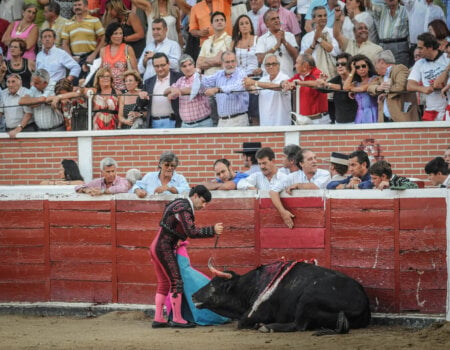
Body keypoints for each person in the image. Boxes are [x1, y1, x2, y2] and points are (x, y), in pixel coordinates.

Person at [149, 184, 223, 328]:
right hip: (164, 248)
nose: (204, 205)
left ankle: (158, 318)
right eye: (203, 201)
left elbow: (173, 227)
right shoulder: (184, 207)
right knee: (176, 282)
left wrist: (177, 239)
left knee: (164, 283)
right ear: (195, 196)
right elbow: (192, 231)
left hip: (156, 246)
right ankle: (177, 318)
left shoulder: (178, 203)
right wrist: (212, 230)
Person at [270, 148, 331, 229]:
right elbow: (273, 191)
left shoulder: (324, 174)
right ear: (301, 163)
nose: (314, 161)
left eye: (315, 158)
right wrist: (282, 212)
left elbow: (316, 186)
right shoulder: (292, 177)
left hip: (322, 219)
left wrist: (298, 185)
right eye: (310, 159)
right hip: (300, 220)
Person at [367, 50, 419, 123]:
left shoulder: (400, 68)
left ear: (381, 62)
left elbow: (400, 87)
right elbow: (370, 87)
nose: (375, 68)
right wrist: (378, 88)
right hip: (385, 119)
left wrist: (385, 93)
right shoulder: (381, 76)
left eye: (375, 64)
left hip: (401, 117)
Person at [201, 51, 249, 127]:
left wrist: (218, 89)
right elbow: (205, 81)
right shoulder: (219, 74)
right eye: (227, 62)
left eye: (233, 61)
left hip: (238, 119)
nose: (230, 64)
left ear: (236, 62)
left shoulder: (241, 73)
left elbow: (238, 87)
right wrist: (197, 73)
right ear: (222, 63)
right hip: (222, 121)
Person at [407, 33, 449, 121]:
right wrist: (423, 89)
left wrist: (443, 84)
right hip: (432, 110)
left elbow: (441, 84)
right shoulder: (419, 63)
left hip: (448, 106)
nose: (418, 51)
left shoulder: (447, 58)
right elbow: (410, 85)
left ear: (430, 47)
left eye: (421, 48)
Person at [165, 54, 213, 128]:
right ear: (180, 68)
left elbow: (195, 89)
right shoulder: (180, 81)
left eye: (190, 64)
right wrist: (171, 89)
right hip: (185, 125)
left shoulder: (202, 77)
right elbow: (165, 92)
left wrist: (179, 91)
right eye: (184, 66)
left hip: (203, 123)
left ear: (194, 65)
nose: (188, 68)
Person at [61, 0, 105, 79]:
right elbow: (64, 44)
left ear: (86, 7)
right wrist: (71, 58)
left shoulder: (95, 20)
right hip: (76, 60)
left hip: (90, 58)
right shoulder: (67, 23)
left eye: (79, 5)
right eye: (75, 5)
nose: (77, 7)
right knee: (75, 86)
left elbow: (104, 39)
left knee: (90, 86)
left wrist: (94, 54)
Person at [243, 53, 292, 126]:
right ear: (265, 67)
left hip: (281, 123)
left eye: (274, 64)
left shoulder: (285, 78)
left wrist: (254, 82)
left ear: (279, 65)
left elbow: (278, 87)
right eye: (268, 64)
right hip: (265, 123)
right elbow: (253, 90)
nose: (271, 67)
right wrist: (246, 85)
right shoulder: (263, 79)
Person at [137, 52, 183, 128]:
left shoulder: (179, 77)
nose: (160, 69)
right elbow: (140, 104)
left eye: (162, 65)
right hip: (154, 123)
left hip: (175, 121)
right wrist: (141, 97)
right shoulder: (148, 81)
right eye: (156, 66)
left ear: (168, 64)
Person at [282, 54, 329, 124]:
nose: (295, 66)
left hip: (318, 120)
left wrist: (298, 83)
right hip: (303, 120)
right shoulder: (298, 76)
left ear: (305, 65)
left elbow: (317, 83)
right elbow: (288, 82)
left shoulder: (317, 73)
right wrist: (284, 83)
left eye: (297, 63)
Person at [255, 9, 298, 77]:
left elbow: (296, 55)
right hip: (269, 79)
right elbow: (260, 59)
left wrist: (284, 41)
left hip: (288, 77)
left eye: (278, 18)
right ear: (266, 24)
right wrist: (276, 46)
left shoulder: (289, 36)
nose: (277, 20)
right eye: (273, 19)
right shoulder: (262, 39)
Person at [365, 0, 409, 66]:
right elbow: (368, 5)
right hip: (383, 46)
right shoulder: (381, 9)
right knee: (384, 72)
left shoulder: (405, 10)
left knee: (401, 70)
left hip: (400, 46)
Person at [317, 52, 357, 124]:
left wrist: (327, 84)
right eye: (337, 64)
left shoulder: (356, 79)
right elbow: (323, 90)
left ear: (351, 66)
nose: (339, 66)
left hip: (355, 122)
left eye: (343, 64)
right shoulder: (337, 79)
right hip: (338, 122)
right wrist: (322, 82)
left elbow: (344, 88)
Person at [301, 6, 340, 79]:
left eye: (325, 15)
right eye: (320, 16)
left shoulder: (333, 32)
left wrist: (320, 40)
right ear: (313, 19)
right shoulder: (307, 37)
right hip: (314, 73)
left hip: (332, 72)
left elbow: (336, 52)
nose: (323, 18)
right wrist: (313, 44)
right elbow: (303, 57)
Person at [100, 22, 138, 91]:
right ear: (110, 35)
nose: (119, 36)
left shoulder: (127, 49)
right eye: (115, 33)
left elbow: (135, 71)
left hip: (124, 90)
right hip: (108, 90)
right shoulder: (103, 50)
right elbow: (100, 72)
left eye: (121, 33)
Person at [343, 54, 378, 124]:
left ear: (368, 67)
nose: (361, 69)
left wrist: (351, 89)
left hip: (373, 112)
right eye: (357, 67)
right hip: (360, 114)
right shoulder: (355, 83)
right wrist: (352, 71)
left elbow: (362, 89)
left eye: (363, 66)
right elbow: (345, 87)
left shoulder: (375, 78)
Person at [196, 11, 232, 77]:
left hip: (222, 78)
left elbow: (220, 61)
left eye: (222, 20)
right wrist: (214, 60)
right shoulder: (206, 42)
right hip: (207, 79)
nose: (219, 22)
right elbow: (198, 64)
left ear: (225, 23)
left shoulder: (230, 40)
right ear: (211, 24)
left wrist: (205, 59)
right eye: (216, 20)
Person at [0, 73, 35, 138]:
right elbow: (0, 112)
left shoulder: (26, 93)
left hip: (26, 129)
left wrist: (18, 128)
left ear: (20, 83)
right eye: (8, 82)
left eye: (13, 81)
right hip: (9, 130)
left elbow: (28, 114)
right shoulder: (3, 93)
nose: (10, 85)